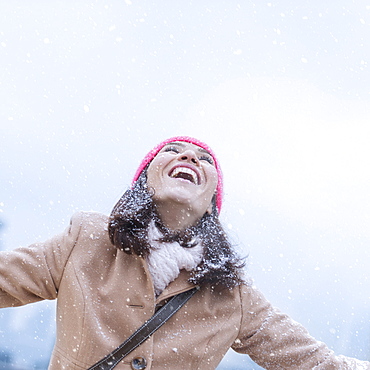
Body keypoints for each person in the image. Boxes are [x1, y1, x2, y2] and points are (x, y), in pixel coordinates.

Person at [0, 136, 369, 370]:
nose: (190, 157)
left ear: (211, 204)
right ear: (144, 181)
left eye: (203, 158)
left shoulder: (233, 295)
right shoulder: (86, 239)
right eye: (172, 152)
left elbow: (315, 363)